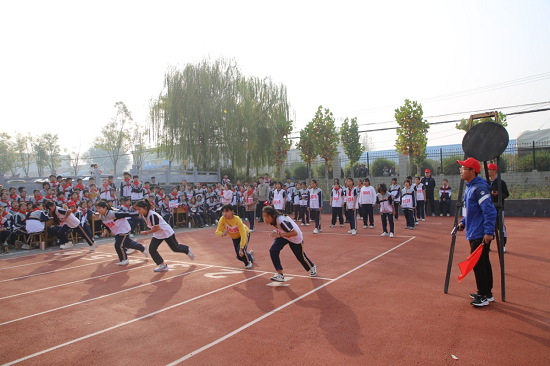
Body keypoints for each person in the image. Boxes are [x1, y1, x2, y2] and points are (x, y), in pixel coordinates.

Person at [456, 158, 497, 307]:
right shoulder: (470, 187)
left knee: (478, 263)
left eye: (463, 168)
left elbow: (489, 211)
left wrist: (488, 232)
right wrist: (463, 223)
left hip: (480, 233)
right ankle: (486, 293)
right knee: (483, 262)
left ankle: (484, 295)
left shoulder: (479, 188)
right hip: (474, 231)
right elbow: (471, 212)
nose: (461, 171)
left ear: (472, 171)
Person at [135, 199, 195, 272]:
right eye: (137, 209)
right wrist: (140, 215)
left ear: (145, 208)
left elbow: (157, 227)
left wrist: (147, 232)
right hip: (158, 234)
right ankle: (162, 265)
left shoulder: (152, 215)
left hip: (166, 232)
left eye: (139, 209)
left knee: (175, 248)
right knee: (152, 249)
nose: (138, 211)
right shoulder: (144, 214)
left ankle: (187, 250)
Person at [262, 206, 316, 282]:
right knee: (273, 250)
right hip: (283, 235)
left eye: (267, 216)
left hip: (294, 237)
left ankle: (312, 267)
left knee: (300, 256)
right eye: (263, 216)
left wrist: (279, 235)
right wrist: (276, 233)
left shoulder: (281, 221)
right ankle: (280, 274)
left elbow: (294, 232)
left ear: (273, 216)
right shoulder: (272, 222)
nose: (265, 219)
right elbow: (279, 229)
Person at [96, 200, 149, 265]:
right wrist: (105, 232)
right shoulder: (101, 217)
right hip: (117, 231)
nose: (98, 210)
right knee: (128, 244)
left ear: (105, 208)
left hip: (123, 229)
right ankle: (142, 248)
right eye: (97, 208)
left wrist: (137, 214)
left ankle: (124, 259)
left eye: (99, 208)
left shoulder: (113, 214)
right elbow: (105, 225)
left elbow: (126, 213)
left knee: (118, 245)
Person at [215, 204, 254, 269]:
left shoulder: (237, 219)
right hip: (235, 237)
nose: (224, 213)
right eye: (223, 212)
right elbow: (218, 231)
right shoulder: (222, 219)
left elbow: (243, 233)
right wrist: (222, 234)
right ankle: (250, 256)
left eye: (226, 211)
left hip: (244, 234)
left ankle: (247, 263)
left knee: (241, 252)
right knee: (239, 256)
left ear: (232, 211)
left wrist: (241, 248)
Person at [487, 163, 509, 251]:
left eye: (489, 169)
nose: (488, 171)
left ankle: (502, 245)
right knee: (489, 227)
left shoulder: (501, 182)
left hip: (498, 208)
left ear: (495, 171)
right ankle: (487, 246)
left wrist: (498, 194)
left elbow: (506, 194)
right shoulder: (486, 182)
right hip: (488, 208)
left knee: (500, 227)